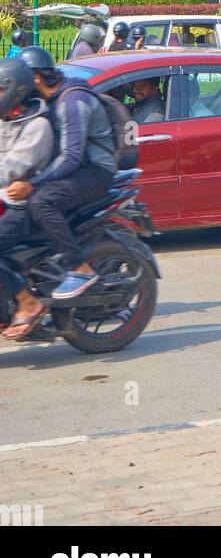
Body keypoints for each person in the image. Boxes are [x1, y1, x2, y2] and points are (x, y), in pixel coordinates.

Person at [6, 47, 116, 300]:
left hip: (95, 171)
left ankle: (79, 267)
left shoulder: (71, 102)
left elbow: (71, 157)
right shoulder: (50, 99)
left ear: (35, 79)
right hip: (78, 169)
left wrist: (33, 184)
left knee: (41, 202)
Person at [0, 58, 55, 341]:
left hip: (22, 207)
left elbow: (11, 166)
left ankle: (27, 301)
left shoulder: (37, 126)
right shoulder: (8, 118)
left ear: (15, 90)